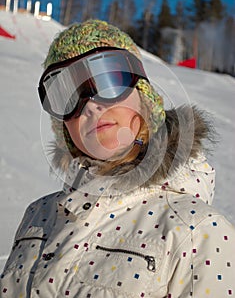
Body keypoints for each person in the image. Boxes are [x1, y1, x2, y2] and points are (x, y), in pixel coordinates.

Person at [1, 19, 234, 298]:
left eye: (108, 80)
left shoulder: (196, 231)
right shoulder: (37, 217)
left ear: (144, 98)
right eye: (66, 94)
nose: (90, 104)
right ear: (63, 128)